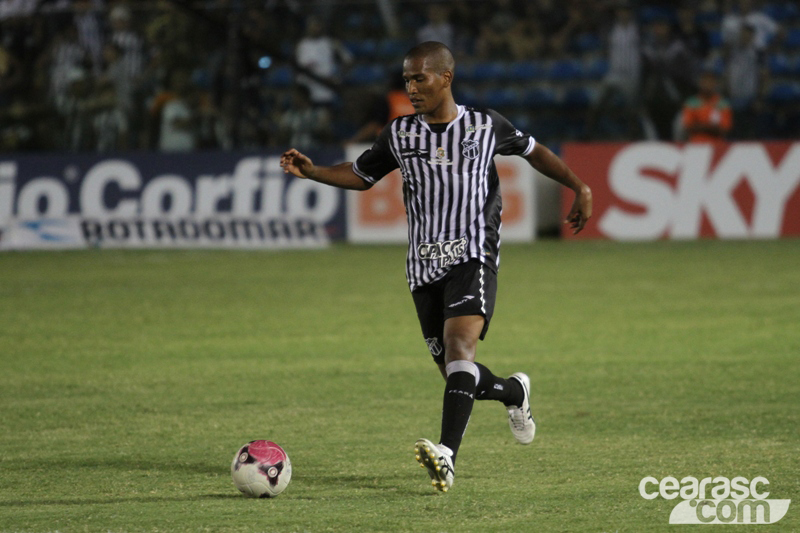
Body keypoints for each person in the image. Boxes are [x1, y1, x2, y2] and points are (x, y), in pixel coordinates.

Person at [280, 42, 592, 493]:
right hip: (423, 266)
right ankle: (513, 392)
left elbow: (534, 151)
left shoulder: (486, 125)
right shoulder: (400, 133)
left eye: (419, 78)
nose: (411, 88)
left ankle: (446, 455)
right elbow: (362, 175)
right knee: (457, 376)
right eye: (406, 79)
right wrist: (314, 172)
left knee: (460, 348)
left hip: (473, 254)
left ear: (446, 77)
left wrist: (579, 185)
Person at [680, 70, 733, 142]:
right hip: (696, 144)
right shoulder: (691, 103)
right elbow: (688, 126)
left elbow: (725, 128)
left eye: (710, 82)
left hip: (717, 145)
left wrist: (700, 126)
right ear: (700, 83)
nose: (708, 84)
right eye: (705, 81)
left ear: (715, 84)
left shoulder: (722, 103)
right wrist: (711, 128)